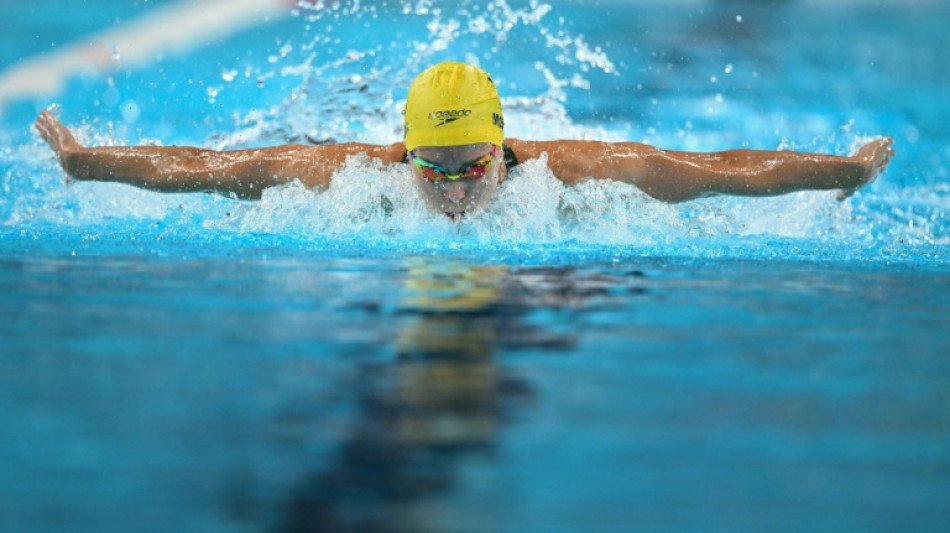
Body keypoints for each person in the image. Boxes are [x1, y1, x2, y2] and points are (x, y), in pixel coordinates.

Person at [34, 62, 894, 218]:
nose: (451, 191)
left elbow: (724, 171)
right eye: (431, 168)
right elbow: (209, 169)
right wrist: (86, 162)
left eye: (470, 166)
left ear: (503, 149)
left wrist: (839, 173)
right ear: (401, 152)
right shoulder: (349, 176)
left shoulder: (581, 173)